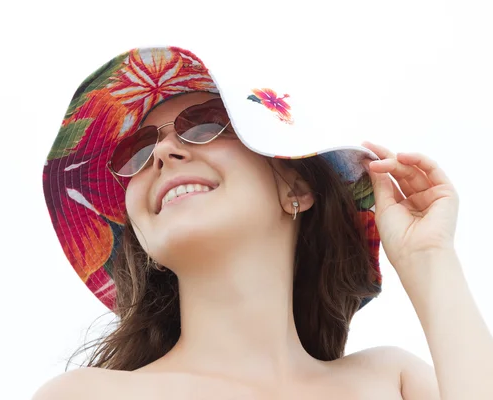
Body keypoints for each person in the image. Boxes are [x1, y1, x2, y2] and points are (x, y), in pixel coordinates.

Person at [34, 47, 492, 399]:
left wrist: (429, 259)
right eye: (132, 153)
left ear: (295, 188)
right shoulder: (87, 395)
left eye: (205, 124)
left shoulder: (394, 380)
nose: (161, 153)